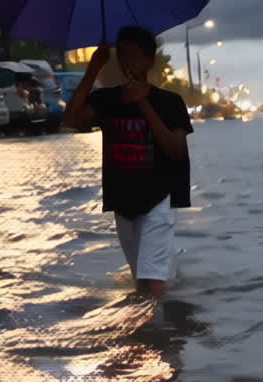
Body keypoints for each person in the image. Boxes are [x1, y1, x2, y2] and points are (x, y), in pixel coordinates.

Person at [64, 25, 193, 300]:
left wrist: (144, 104)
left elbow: (176, 151)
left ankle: (162, 334)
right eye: (122, 56)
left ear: (149, 61)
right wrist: (92, 69)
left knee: (153, 282)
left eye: (134, 57)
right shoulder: (107, 99)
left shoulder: (169, 102)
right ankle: (144, 335)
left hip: (158, 197)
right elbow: (72, 120)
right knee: (141, 281)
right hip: (122, 200)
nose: (127, 63)